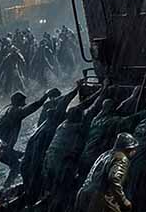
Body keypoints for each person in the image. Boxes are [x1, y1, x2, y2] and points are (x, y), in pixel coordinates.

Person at [43, 84, 106, 212]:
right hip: (63, 164)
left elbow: (82, 106)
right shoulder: (78, 127)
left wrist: (99, 91)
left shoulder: (62, 125)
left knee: (54, 191)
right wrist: (103, 90)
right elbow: (93, 109)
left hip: (49, 161)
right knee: (63, 193)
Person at [79, 87, 146, 179]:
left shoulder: (96, 119)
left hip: (85, 156)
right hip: (95, 157)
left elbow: (118, 108)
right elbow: (134, 117)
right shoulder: (112, 122)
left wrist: (133, 96)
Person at [21, 87, 80, 204]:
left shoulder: (42, 126)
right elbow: (64, 101)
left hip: (29, 164)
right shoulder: (53, 125)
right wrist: (76, 89)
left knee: (32, 190)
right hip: (37, 163)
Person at [0, 88, 60, 186]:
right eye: (23, 101)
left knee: (22, 157)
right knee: (16, 165)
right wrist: (45, 96)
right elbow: (33, 107)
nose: (24, 103)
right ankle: (6, 187)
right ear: (18, 102)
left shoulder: (7, 109)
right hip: (1, 147)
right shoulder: (15, 112)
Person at [75, 132, 138, 212]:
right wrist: (123, 201)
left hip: (84, 195)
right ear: (128, 149)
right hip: (99, 200)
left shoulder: (105, 155)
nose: (135, 151)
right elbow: (114, 179)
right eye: (134, 149)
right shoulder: (121, 158)